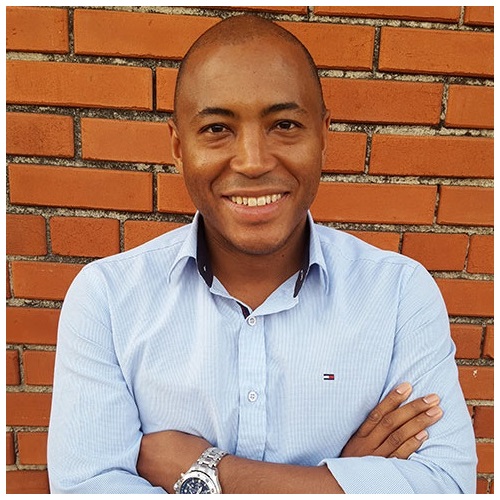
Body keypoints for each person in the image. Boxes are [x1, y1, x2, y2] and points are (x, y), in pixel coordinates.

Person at [47, 15, 476, 494]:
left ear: (323, 135)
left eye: (285, 125)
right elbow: (85, 489)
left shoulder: (398, 294)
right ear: (178, 146)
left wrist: (208, 472)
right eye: (216, 128)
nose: (253, 161)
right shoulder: (106, 300)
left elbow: (446, 486)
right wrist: (339, 482)